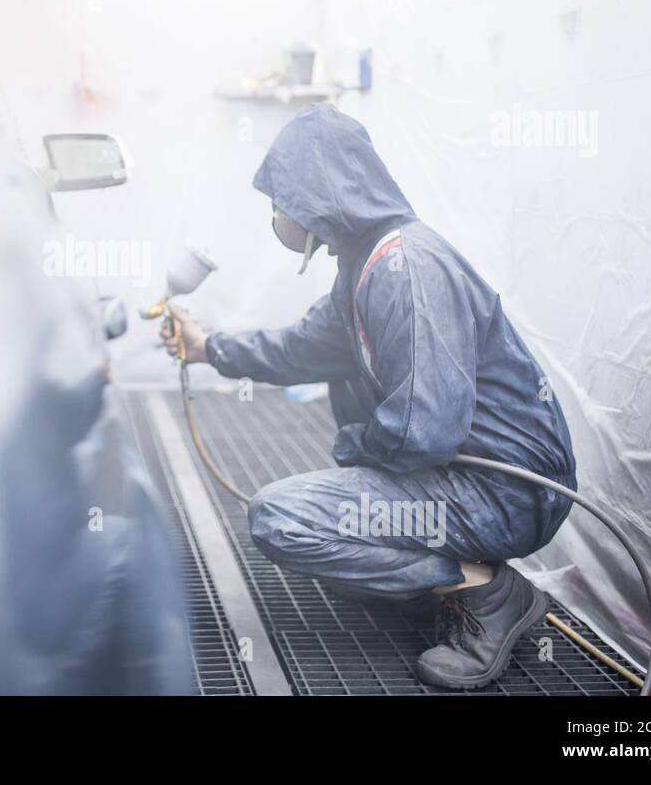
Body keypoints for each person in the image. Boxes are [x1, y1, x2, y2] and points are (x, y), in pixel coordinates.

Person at [161, 104, 576, 689]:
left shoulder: (406, 267)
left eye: (281, 200)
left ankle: (488, 592)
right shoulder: (366, 263)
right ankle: (441, 580)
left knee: (282, 519)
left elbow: (424, 429)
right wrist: (209, 348)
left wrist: (353, 447)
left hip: (506, 492)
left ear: (317, 196)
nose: (278, 215)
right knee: (344, 407)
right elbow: (301, 349)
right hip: (468, 478)